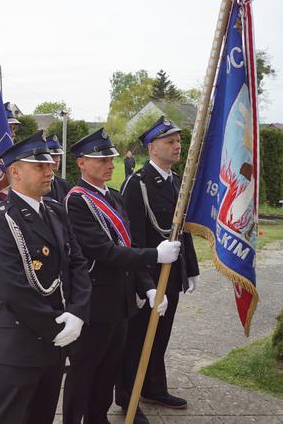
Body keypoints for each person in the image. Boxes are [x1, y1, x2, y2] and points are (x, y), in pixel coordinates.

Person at [62, 128, 180, 424]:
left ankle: (97, 418)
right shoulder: (77, 201)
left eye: (111, 159)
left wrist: (148, 286)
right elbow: (104, 252)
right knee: (84, 372)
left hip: (121, 302)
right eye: (100, 160)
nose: (109, 164)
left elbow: (130, 245)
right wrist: (155, 256)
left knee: (108, 371)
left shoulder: (113, 197)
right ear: (81, 163)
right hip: (94, 304)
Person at [0, 131, 91, 424]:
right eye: (39, 166)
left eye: (49, 164)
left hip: (56, 342)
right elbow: (13, 288)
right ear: (14, 172)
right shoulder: (1, 221)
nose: (50, 170)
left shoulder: (55, 211)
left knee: (41, 417)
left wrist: (78, 312)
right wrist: (55, 326)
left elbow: (77, 263)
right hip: (21, 343)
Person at [116, 117, 200, 420]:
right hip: (148, 277)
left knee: (160, 336)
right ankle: (128, 395)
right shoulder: (137, 184)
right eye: (169, 142)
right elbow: (132, 240)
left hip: (172, 275)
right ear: (152, 147)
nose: (177, 146)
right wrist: (145, 285)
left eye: (178, 141)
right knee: (137, 338)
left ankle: (153, 385)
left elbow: (181, 231)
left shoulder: (178, 181)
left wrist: (190, 269)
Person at [45, 135, 70, 201]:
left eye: (58, 155)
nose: (57, 160)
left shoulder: (63, 184)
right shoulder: (37, 183)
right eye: (53, 156)